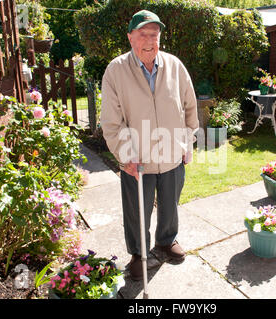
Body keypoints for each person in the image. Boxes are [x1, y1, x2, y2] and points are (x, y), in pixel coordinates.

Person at [100, 10, 199, 281]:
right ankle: (138, 254)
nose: (149, 40)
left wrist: (186, 142)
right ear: (130, 37)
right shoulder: (116, 70)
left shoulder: (175, 66)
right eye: (142, 34)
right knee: (136, 210)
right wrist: (126, 155)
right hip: (137, 159)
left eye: (154, 35)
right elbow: (111, 122)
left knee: (171, 203)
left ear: (160, 39)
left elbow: (190, 108)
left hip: (171, 154)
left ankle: (166, 241)